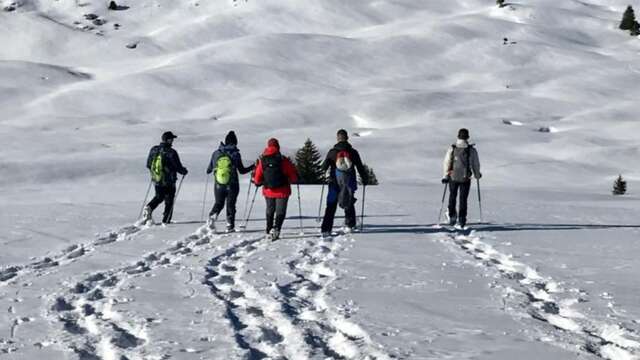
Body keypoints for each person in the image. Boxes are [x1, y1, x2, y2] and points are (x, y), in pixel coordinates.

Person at [320, 129, 368, 237]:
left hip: (334, 181)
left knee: (331, 205)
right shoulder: (353, 152)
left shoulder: (332, 152)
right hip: (349, 181)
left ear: (337, 138)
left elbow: (323, 167)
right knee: (349, 201)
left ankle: (326, 229)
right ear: (347, 138)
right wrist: (365, 179)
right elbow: (360, 167)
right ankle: (350, 225)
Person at [206, 131, 255, 232]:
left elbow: (209, 169)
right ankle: (230, 225)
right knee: (231, 204)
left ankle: (212, 217)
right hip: (232, 184)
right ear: (235, 142)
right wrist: (253, 167)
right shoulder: (235, 154)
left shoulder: (216, 153)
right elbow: (241, 171)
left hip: (219, 184)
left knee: (219, 203)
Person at [252, 138, 298, 240]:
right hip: (282, 190)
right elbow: (293, 176)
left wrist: (258, 182)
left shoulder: (263, 160)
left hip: (268, 190)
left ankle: (269, 229)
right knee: (280, 211)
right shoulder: (283, 160)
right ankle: (276, 229)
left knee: (270, 210)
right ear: (278, 147)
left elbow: (257, 178)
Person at [142, 131, 188, 224]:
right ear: (168, 140)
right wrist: (184, 171)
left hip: (157, 179)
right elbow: (177, 166)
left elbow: (148, 164)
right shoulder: (171, 152)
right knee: (169, 201)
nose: (172, 141)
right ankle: (166, 221)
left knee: (159, 197)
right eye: (172, 139)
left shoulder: (154, 149)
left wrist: (155, 172)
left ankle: (149, 207)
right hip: (169, 181)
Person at [442, 128, 481, 228]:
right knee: (463, 199)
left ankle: (452, 216)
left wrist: (446, 175)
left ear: (458, 136)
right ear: (467, 137)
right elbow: (475, 164)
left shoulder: (453, 148)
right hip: (465, 178)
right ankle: (462, 219)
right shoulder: (471, 150)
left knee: (452, 196)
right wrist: (477, 175)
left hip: (453, 177)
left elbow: (447, 162)